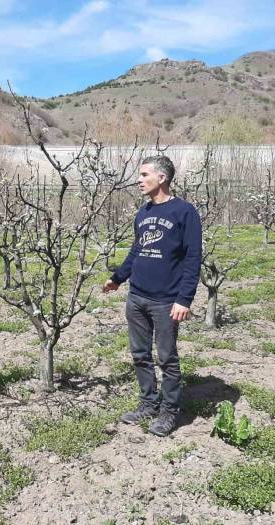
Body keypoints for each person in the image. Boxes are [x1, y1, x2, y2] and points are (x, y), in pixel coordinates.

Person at [103, 155, 202, 437]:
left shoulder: (185, 212)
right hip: (137, 297)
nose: (139, 180)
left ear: (162, 178)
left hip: (166, 300)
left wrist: (185, 299)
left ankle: (170, 412)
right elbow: (137, 250)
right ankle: (148, 403)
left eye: (144, 174)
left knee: (167, 357)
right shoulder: (143, 213)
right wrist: (118, 278)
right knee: (140, 355)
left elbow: (193, 258)